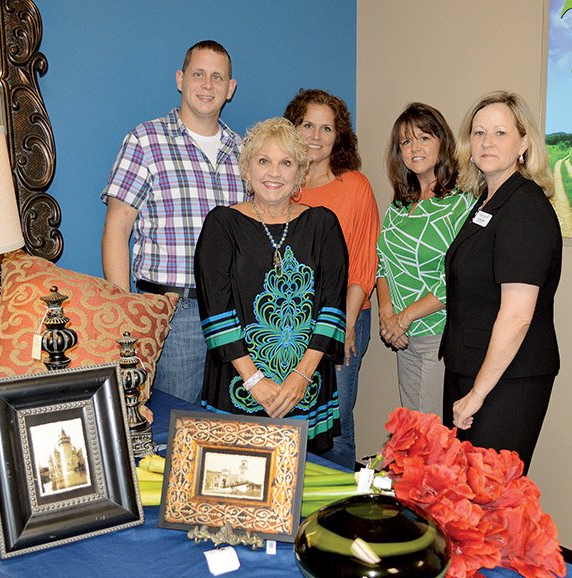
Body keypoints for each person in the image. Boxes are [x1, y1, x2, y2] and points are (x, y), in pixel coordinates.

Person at [100, 40, 245, 404]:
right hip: (170, 312)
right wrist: (126, 312)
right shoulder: (145, 141)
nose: (207, 85)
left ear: (231, 88)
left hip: (234, 314)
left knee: (227, 430)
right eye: (198, 74)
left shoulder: (244, 152)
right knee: (173, 427)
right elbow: (117, 229)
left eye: (217, 77)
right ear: (181, 79)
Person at [194, 117, 347, 453]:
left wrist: (299, 378)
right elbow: (216, 312)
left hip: (307, 387)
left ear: (301, 174)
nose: (274, 173)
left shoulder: (323, 225)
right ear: (246, 170)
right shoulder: (222, 225)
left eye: (286, 162)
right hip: (238, 386)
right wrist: (255, 381)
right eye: (263, 161)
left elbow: (332, 309)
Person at [442, 90, 562, 474]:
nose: (486, 142)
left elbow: (518, 316)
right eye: (478, 133)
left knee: (490, 505)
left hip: (507, 380)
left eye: (499, 133)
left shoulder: (525, 208)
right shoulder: (488, 202)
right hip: (473, 368)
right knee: (462, 501)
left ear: (524, 143)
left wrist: (476, 394)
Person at [284, 89, 379, 468]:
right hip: (290, 323)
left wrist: (347, 326)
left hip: (344, 315)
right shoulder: (280, 185)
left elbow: (363, 261)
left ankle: (337, 508)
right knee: (292, 414)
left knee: (334, 420)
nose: (316, 136)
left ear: (338, 137)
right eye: (308, 125)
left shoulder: (354, 186)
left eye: (327, 128)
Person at [376, 103, 476, 415]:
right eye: (406, 142)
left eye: (424, 138)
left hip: (438, 336)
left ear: (442, 143)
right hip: (402, 336)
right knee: (412, 431)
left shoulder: (462, 203)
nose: (414, 148)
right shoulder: (398, 206)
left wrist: (403, 318)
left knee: (429, 436)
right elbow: (382, 264)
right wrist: (386, 314)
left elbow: (458, 280)